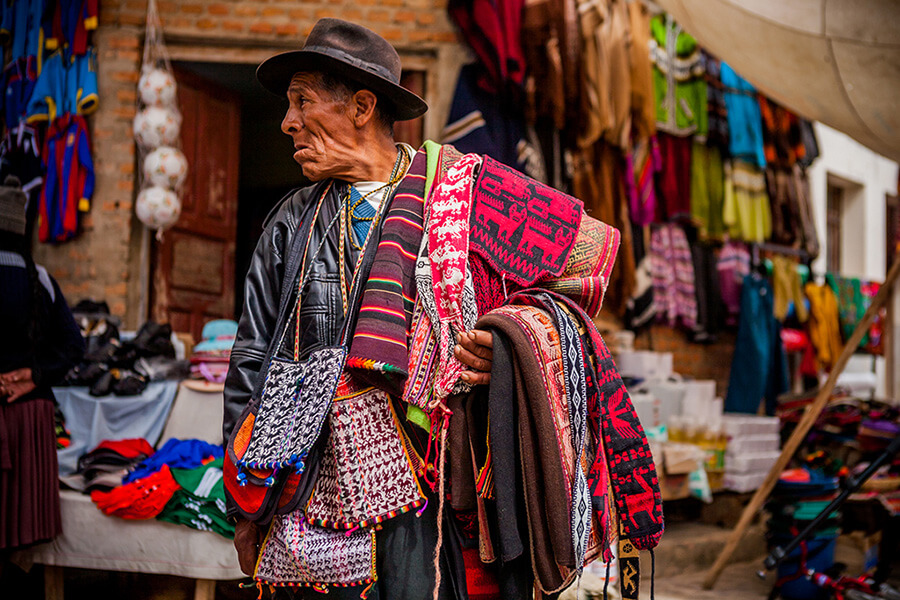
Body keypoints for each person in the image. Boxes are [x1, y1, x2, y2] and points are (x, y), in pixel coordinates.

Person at [224, 18, 662, 600]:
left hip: (433, 483)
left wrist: (509, 339)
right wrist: (244, 507)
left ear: (361, 106)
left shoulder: (472, 190)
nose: (287, 123)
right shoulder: (289, 222)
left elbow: (586, 261)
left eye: (302, 102)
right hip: (305, 487)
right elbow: (250, 359)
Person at [0, 175, 84, 555]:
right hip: (28, 421)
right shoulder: (42, 281)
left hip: (10, 421)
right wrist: (33, 376)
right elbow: (74, 347)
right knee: (14, 539)